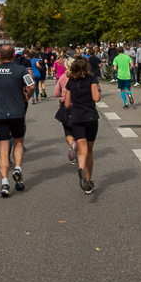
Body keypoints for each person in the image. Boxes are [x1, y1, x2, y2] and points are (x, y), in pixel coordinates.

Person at [0, 45, 32, 197]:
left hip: (0, 114)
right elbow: (31, 85)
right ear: (13, 56)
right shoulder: (21, 70)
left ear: (0, 56)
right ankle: (17, 169)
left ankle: (4, 183)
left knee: (3, 148)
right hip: (17, 113)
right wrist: (26, 97)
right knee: (18, 142)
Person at [64, 56, 101, 193]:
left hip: (76, 118)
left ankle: (80, 167)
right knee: (90, 151)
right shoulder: (92, 79)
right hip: (90, 117)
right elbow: (96, 98)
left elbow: (67, 104)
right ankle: (88, 180)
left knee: (82, 150)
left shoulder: (70, 82)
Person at [52, 63, 76, 164]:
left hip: (65, 105)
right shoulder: (78, 76)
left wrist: (63, 94)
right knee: (78, 131)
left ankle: (72, 144)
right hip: (77, 105)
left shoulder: (63, 77)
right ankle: (77, 151)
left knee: (68, 132)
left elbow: (56, 93)